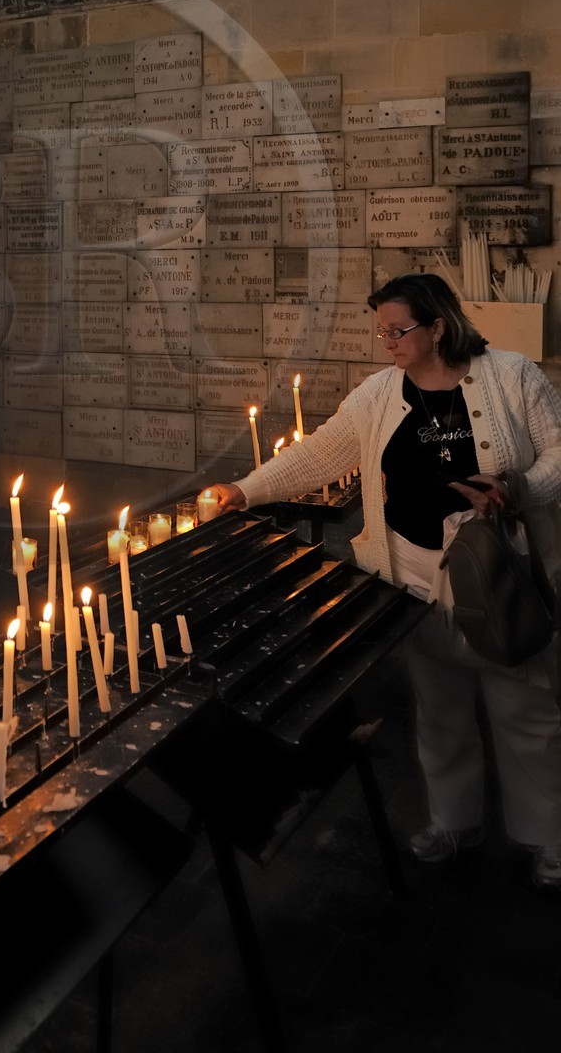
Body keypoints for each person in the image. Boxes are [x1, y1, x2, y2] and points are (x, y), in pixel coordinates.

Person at [209, 272, 561, 891]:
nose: (386, 341)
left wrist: (519, 485)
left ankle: (548, 838)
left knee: (524, 708)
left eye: (398, 330)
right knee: (439, 706)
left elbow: (560, 452)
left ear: (439, 328)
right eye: (381, 329)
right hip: (410, 572)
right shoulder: (379, 394)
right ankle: (454, 821)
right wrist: (245, 490)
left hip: (496, 569)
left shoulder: (512, 376)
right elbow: (322, 453)